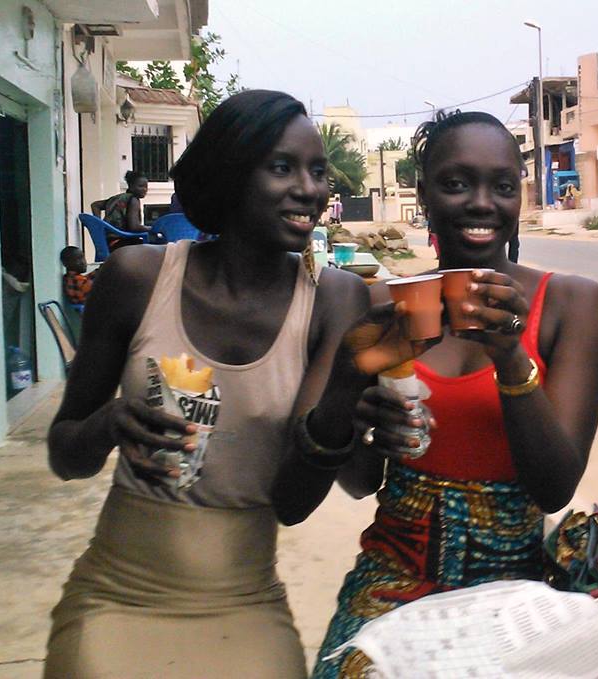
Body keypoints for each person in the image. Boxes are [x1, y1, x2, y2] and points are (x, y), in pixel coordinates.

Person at [44, 89, 409, 678]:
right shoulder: (137, 278)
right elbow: (66, 457)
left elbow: (294, 505)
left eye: (318, 172)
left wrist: (349, 388)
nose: (309, 189)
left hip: (247, 603)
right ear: (231, 173)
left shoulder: (333, 298)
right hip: (117, 594)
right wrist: (111, 423)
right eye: (282, 167)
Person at [275, 110, 598, 678]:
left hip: (513, 594)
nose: (482, 203)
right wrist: (357, 404)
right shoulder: (387, 306)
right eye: (456, 184)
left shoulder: (570, 306)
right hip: (391, 582)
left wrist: (510, 355)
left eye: (502, 186)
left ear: (519, 198)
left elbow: (554, 488)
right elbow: (359, 483)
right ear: (424, 196)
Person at [90, 170, 151, 251]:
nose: (144, 189)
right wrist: (153, 228)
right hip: (122, 243)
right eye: (140, 186)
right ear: (131, 186)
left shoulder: (117, 198)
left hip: (107, 242)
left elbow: (95, 205)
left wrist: (99, 226)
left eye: (146, 186)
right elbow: (134, 227)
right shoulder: (133, 200)